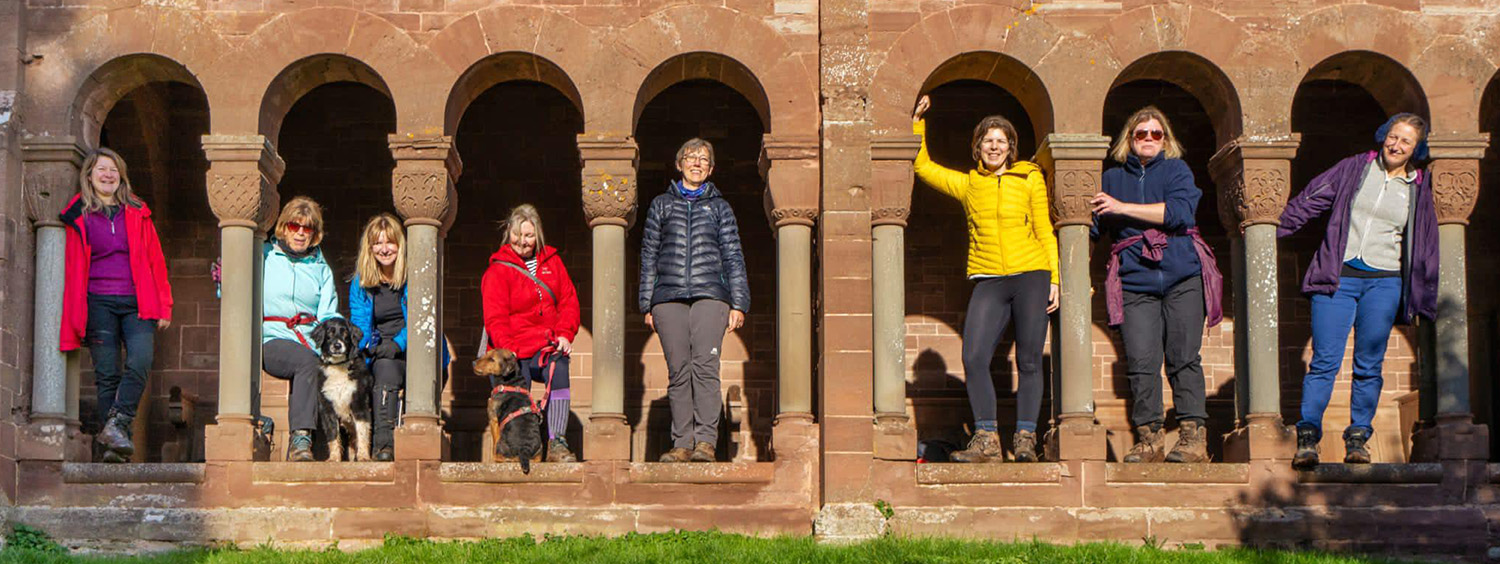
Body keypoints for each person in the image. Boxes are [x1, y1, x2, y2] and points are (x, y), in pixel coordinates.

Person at [1278, 113, 1438, 469]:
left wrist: (1424, 291)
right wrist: (1271, 229)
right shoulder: (1355, 168)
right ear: (1383, 136)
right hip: (1338, 277)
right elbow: (1311, 199)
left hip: (1385, 281)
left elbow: (1426, 241)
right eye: (1393, 137)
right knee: (1324, 361)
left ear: (1416, 149)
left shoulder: (1418, 185)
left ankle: (1358, 438)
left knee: (1369, 364)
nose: (1396, 146)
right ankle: (1308, 437)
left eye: (1406, 142)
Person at [911, 95, 1058, 463]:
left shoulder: (1029, 178)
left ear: (1011, 147)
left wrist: (1055, 277)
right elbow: (924, 167)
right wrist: (917, 122)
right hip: (989, 277)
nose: (994, 146)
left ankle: (1026, 438)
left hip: (1031, 273)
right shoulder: (969, 185)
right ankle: (987, 439)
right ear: (978, 147)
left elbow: (1044, 228)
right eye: (988, 140)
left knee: (1028, 359)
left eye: (1001, 141)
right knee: (974, 356)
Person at [1092, 106, 1223, 464]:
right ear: (1129, 140)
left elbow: (1180, 213)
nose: (1149, 139)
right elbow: (1092, 226)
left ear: (1166, 139)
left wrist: (1122, 208)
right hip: (1135, 282)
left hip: (1182, 276)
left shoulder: (1177, 170)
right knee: (1141, 361)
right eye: (1141, 134)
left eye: (1156, 134)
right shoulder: (1112, 178)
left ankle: (1192, 438)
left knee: (1183, 359)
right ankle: (1149, 438)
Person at [60, 148, 173, 463]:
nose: (107, 175)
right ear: (89, 176)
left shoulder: (137, 211)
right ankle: (114, 449)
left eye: (113, 169)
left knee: (140, 361)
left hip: (138, 302)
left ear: (121, 175)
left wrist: (165, 305)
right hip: (97, 303)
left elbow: (156, 261)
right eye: (101, 169)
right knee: (107, 373)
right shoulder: (77, 214)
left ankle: (117, 425)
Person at [640, 138, 750, 463]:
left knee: (705, 367)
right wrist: (646, 303)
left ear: (711, 168)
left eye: (704, 159)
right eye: (691, 157)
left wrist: (739, 303)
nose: (697, 163)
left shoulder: (720, 208)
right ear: (679, 164)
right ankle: (682, 443)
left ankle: (705, 442)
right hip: (668, 297)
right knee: (679, 370)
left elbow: (733, 256)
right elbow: (649, 255)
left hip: (711, 296)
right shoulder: (661, 204)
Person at [482, 204, 581, 463]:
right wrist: (507, 349)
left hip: (543, 345)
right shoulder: (497, 270)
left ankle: (557, 440)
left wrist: (564, 334)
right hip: (512, 350)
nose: (522, 242)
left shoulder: (553, 262)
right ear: (508, 233)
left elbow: (568, 301)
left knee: (559, 366)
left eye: (528, 236)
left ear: (537, 235)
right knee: (518, 387)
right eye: (517, 235)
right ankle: (514, 447)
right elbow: (495, 317)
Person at [262, 196, 341, 462]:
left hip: (311, 340)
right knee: (307, 362)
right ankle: (300, 439)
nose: (299, 233)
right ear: (284, 226)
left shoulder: (321, 268)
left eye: (307, 228)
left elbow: (328, 313)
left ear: (314, 234)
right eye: (294, 226)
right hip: (271, 338)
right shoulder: (264, 254)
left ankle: (319, 451)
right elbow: (235, 288)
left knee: (338, 369)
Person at [349, 214, 409, 462]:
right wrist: (364, 348)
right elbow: (360, 322)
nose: (384, 249)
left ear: (400, 244)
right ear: (369, 248)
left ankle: (384, 445)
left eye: (390, 242)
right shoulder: (361, 283)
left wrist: (397, 344)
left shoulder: (414, 276)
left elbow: (422, 320)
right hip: (378, 350)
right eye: (377, 243)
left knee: (385, 370)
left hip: (409, 351)